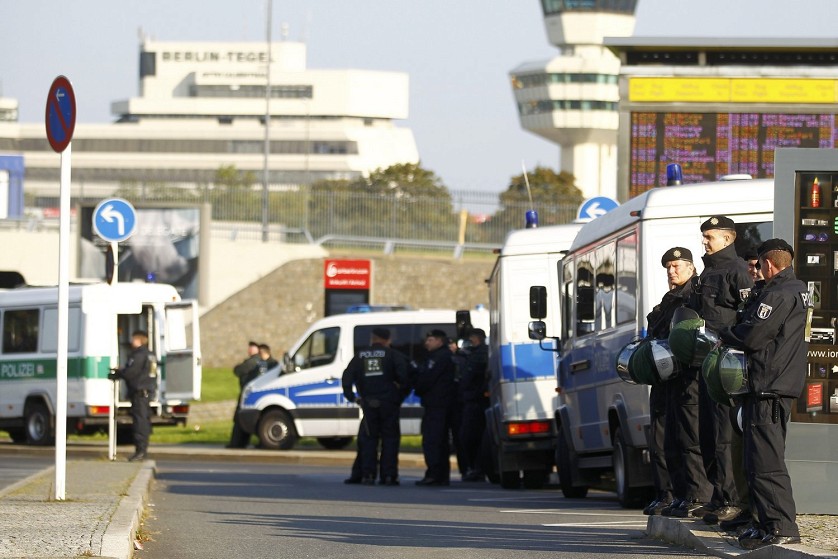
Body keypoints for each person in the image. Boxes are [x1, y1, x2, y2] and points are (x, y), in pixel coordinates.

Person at [718, 239, 806, 549]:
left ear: (769, 265)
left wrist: (723, 334)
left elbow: (754, 335)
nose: (756, 270)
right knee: (754, 462)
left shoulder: (779, 294)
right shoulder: (790, 289)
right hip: (766, 386)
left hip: (770, 387)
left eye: (758, 265)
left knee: (767, 463)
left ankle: (782, 526)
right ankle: (763, 523)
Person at [681, 215, 754, 523]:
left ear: (728, 238)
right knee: (709, 435)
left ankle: (733, 500)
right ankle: (718, 495)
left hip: (727, 365)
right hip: (706, 363)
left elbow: (747, 315)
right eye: (704, 236)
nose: (704, 241)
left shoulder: (737, 271)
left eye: (709, 236)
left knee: (726, 435)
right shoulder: (707, 273)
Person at [643, 248, 710, 515]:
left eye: (677, 266)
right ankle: (669, 494)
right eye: (668, 267)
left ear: (692, 268)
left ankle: (695, 495)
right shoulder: (668, 300)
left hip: (686, 378)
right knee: (662, 440)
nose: (672, 271)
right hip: (664, 379)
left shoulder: (694, 296)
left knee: (689, 439)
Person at [342, 328, 408, 486]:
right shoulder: (393, 355)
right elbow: (405, 378)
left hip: (368, 404)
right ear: (387, 340)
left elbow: (347, 378)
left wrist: (354, 397)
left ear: (373, 339)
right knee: (390, 440)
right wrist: (398, 398)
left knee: (368, 440)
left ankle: (368, 475)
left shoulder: (360, 356)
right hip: (389, 405)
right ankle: (389, 476)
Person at [413, 329, 457, 486]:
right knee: (439, 441)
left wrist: (417, 387)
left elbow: (426, 379)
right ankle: (439, 475)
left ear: (439, 341)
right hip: (440, 405)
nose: (427, 343)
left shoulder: (440, 357)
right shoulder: (441, 356)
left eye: (430, 340)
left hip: (437, 405)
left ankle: (435, 474)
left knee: (433, 440)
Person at [109, 330, 155, 461]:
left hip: (139, 393)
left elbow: (131, 372)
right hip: (146, 391)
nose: (131, 341)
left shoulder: (139, 355)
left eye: (133, 339)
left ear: (139, 340)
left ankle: (140, 451)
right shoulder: (150, 354)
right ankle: (142, 450)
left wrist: (119, 372)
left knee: (140, 422)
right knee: (144, 421)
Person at [458, 328, 489, 482]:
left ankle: (479, 469)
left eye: (471, 338)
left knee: (471, 437)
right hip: (472, 400)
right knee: (472, 438)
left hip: (477, 402)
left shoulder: (481, 353)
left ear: (477, 338)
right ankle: (477, 468)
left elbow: (471, 377)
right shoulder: (474, 353)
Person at [228, 341, 261, 449]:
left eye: (251, 348)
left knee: (240, 418)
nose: (249, 350)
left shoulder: (253, 361)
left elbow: (238, 370)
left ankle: (236, 443)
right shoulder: (259, 361)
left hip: (247, 393)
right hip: (253, 393)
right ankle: (242, 442)